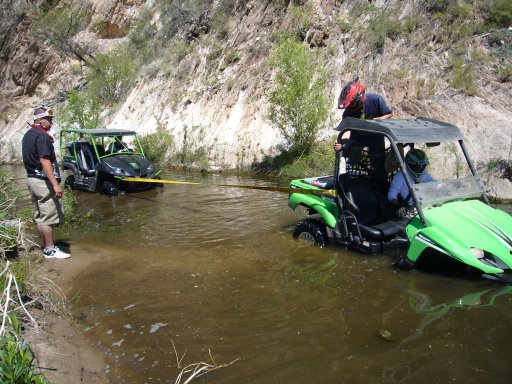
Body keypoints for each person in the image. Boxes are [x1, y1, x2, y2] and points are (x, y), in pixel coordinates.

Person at [22, 106, 70, 259]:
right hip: (42, 181)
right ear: (40, 120)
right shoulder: (42, 136)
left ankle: (47, 246)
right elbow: (44, 160)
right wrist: (55, 184)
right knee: (48, 216)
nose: (51, 122)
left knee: (40, 215)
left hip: (31, 179)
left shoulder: (28, 135)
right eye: (49, 119)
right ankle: (50, 249)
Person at [334, 81, 393, 179]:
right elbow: (346, 131)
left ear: (361, 98)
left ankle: (380, 181)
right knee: (350, 152)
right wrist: (340, 144)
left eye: (353, 104)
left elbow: (390, 114)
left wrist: (378, 120)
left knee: (378, 160)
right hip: (357, 137)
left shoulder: (375, 100)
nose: (352, 108)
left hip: (375, 135)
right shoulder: (349, 112)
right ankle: (347, 180)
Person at [387, 149, 434, 217]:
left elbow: (434, 184)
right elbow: (391, 194)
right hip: (408, 209)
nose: (419, 170)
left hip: (423, 206)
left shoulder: (424, 174)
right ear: (408, 164)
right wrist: (398, 206)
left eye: (422, 166)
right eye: (415, 167)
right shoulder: (400, 176)